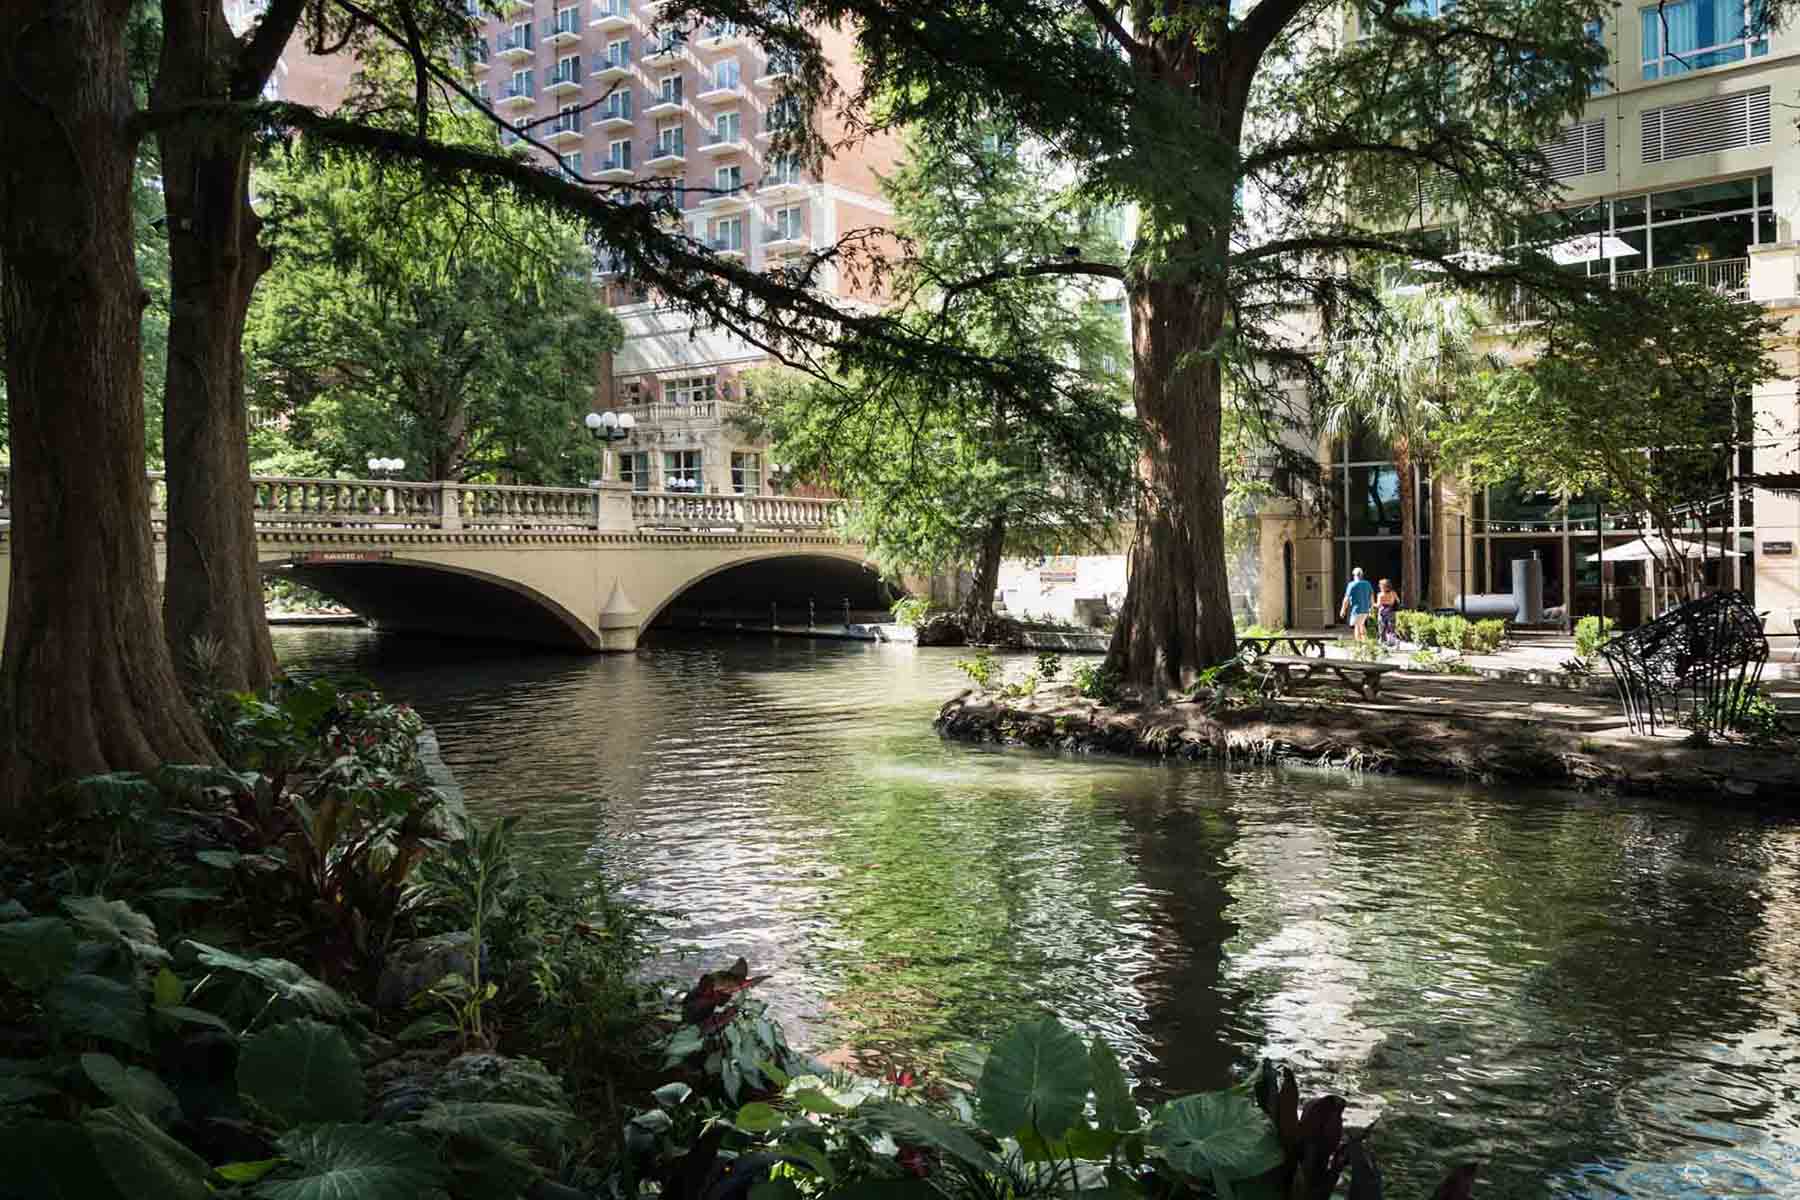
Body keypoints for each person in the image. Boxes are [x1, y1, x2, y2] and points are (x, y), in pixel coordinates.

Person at [1340, 567, 1375, 640]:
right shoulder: (1367, 584)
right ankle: (1365, 642)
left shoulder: (1351, 584)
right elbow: (1371, 596)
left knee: (1357, 626)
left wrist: (1343, 610)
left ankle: (1359, 643)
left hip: (1356, 610)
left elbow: (1346, 599)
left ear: (1354, 575)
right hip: (1365, 609)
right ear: (1361, 575)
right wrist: (1371, 608)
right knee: (1361, 624)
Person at [1376, 578, 1400, 646]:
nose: (1379, 586)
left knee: (1382, 628)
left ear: (1383, 586)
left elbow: (1378, 605)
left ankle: (1383, 643)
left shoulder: (1380, 595)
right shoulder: (1393, 593)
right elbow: (1398, 601)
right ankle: (1393, 641)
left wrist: (1372, 604)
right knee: (1391, 627)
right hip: (1391, 611)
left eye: (1380, 585)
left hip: (1382, 613)